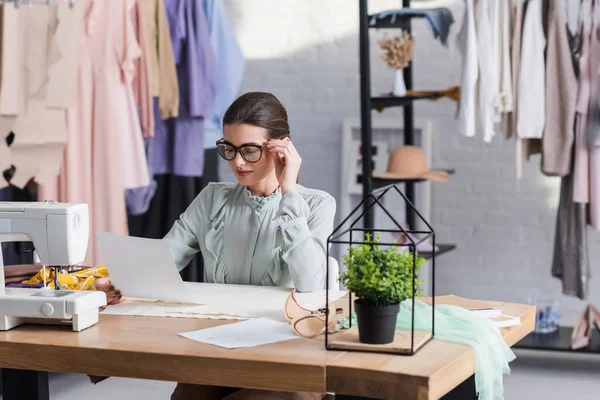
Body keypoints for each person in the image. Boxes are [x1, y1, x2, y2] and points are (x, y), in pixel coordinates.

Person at [97, 92, 336, 399]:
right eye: (229, 148)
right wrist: (120, 281)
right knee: (186, 396)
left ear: (281, 149)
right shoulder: (213, 198)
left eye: (249, 150)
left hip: (289, 354)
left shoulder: (316, 205)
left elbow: (310, 283)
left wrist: (289, 191)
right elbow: (166, 255)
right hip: (221, 346)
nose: (237, 162)